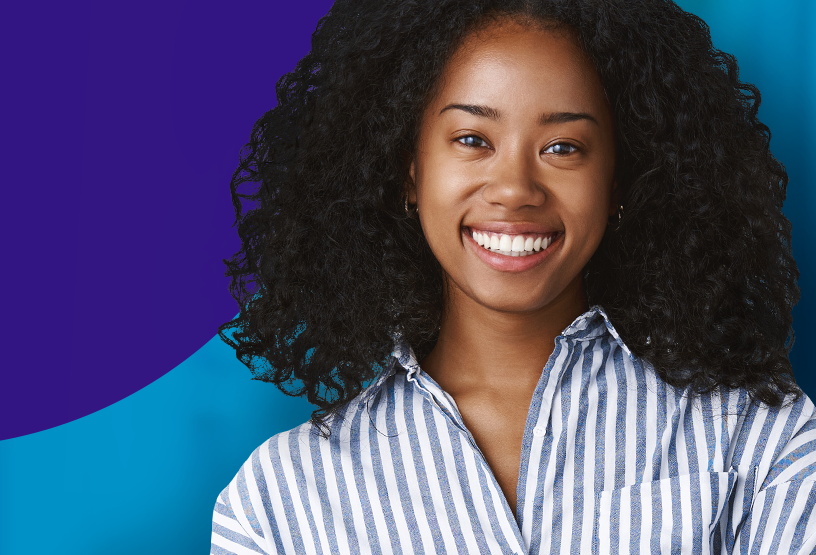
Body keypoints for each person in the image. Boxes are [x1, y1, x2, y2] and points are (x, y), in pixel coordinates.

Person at [210, 1, 816, 553]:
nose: (515, 190)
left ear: (621, 181)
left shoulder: (760, 439)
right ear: (409, 171)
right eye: (472, 139)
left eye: (564, 148)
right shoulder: (277, 506)